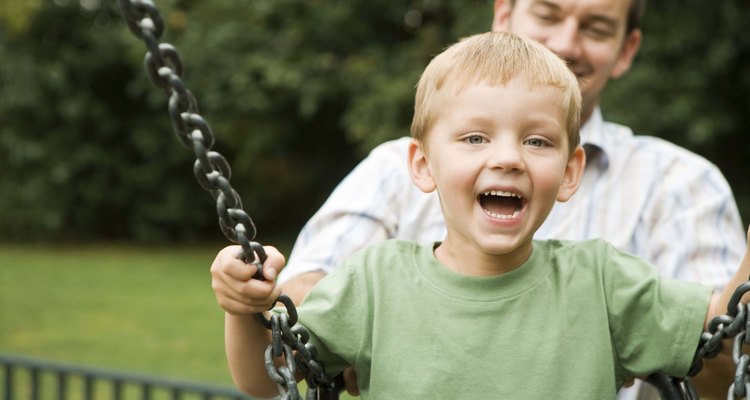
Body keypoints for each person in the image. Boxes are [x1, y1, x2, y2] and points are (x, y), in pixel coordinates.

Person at [211, 32, 750, 400]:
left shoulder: (603, 283)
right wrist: (242, 309)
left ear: (569, 171)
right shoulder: (373, 284)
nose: (509, 158)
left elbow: (720, 326)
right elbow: (266, 378)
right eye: (475, 138)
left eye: (537, 141)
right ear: (423, 165)